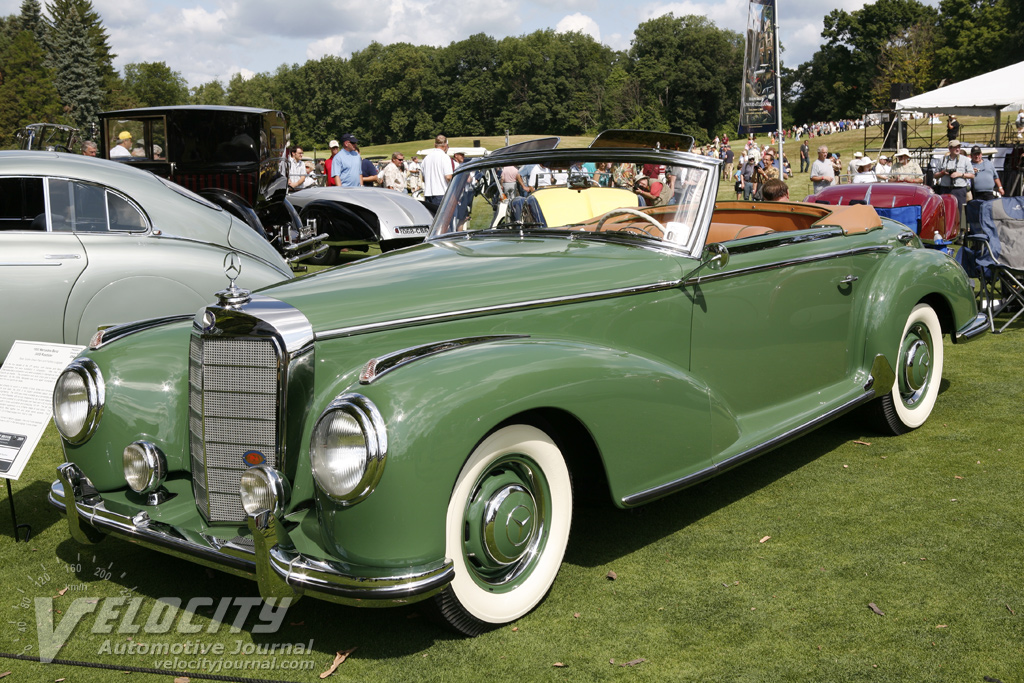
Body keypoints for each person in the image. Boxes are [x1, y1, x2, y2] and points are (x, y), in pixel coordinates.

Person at [933, 139, 973, 211]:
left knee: (960, 211)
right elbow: (935, 175)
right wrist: (943, 173)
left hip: (959, 190)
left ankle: (959, 222)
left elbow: (972, 175)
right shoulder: (942, 160)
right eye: (955, 147)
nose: (958, 149)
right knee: (946, 211)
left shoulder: (965, 160)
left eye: (959, 147)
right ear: (950, 148)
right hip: (945, 189)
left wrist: (960, 174)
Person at [421, 134, 453, 214]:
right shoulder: (445, 157)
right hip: (441, 193)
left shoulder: (426, 158)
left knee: (432, 220)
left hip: (428, 194)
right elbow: (448, 177)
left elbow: (424, 178)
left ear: (435, 144)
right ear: (445, 145)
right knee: (443, 221)